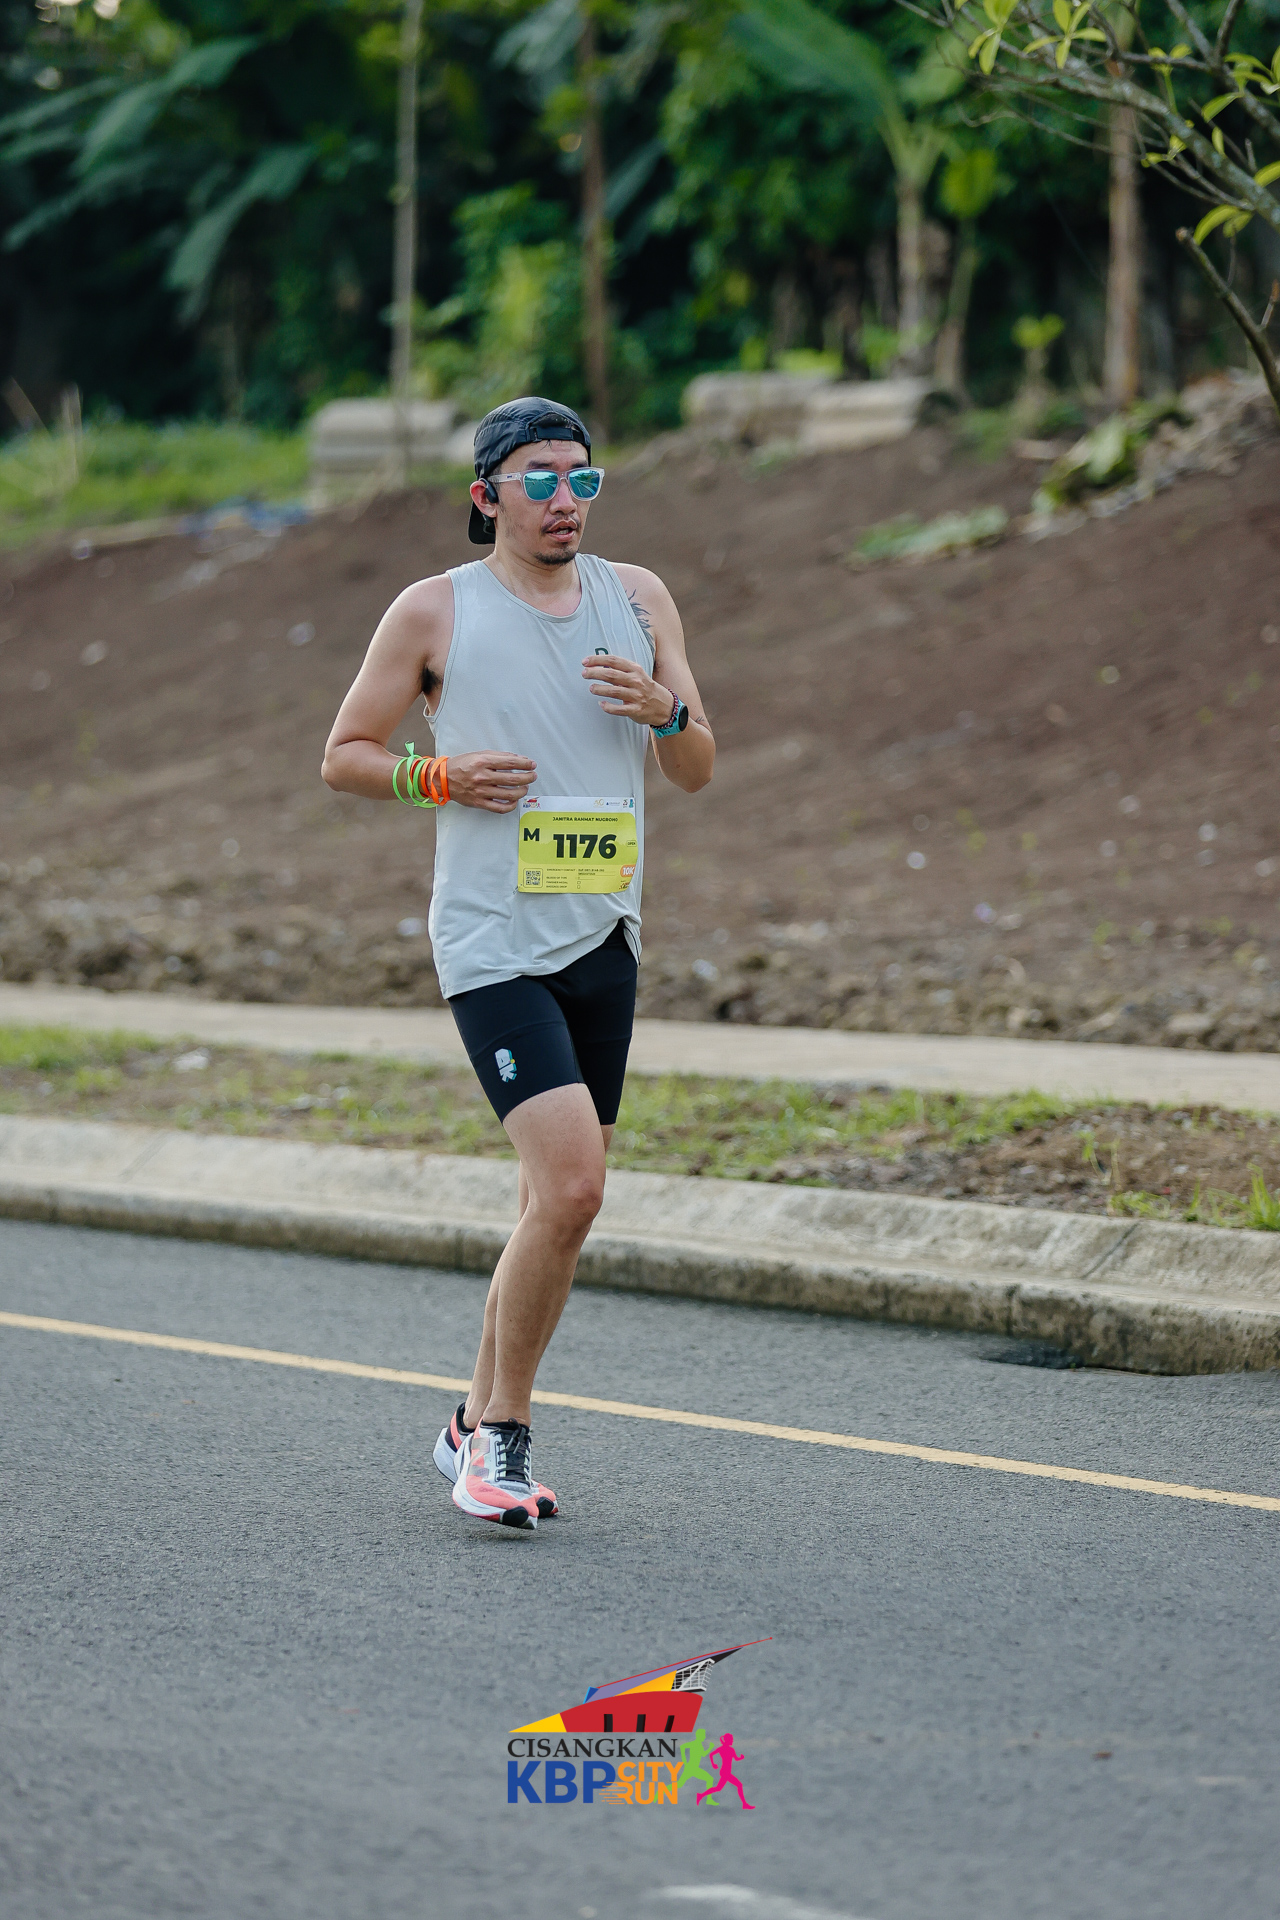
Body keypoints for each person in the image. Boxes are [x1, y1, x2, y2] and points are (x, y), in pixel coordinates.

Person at [321, 396, 714, 1530]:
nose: (563, 500)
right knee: (576, 1187)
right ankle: (499, 1440)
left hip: (604, 933)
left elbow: (695, 766)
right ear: (487, 493)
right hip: (492, 941)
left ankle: (465, 1420)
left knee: (550, 1198)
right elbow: (344, 753)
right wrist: (434, 777)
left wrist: (667, 709)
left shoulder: (637, 598)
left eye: (581, 480)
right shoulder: (434, 609)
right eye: (539, 480)